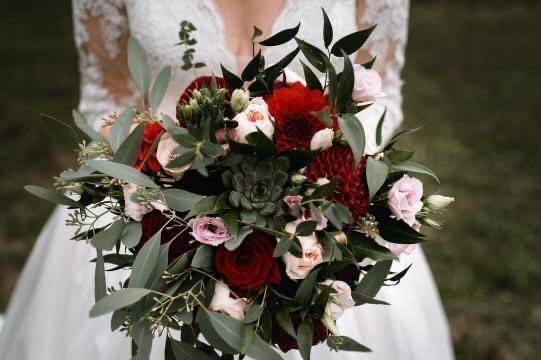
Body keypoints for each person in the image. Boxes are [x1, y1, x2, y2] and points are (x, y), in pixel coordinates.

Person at [0, 1, 454, 359]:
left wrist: (327, 179)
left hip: (320, 216)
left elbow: (382, 92)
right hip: (155, 211)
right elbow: (108, 98)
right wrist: (164, 185)